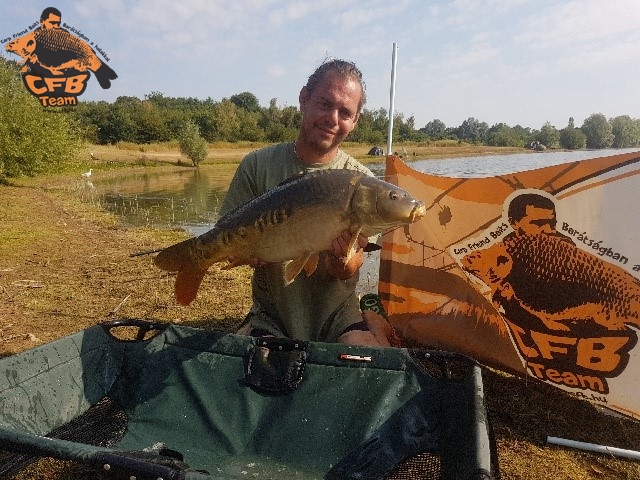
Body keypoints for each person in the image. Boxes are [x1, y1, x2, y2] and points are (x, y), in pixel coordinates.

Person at [219, 59, 395, 347]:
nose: (333, 119)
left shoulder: (363, 184)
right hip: (272, 316)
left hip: (337, 316)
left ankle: (368, 326)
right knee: (256, 377)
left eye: (345, 112)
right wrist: (243, 250)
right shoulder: (257, 165)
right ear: (304, 99)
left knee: (363, 364)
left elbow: (348, 269)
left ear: (355, 121)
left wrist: (341, 259)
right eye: (325, 104)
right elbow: (225, 233)